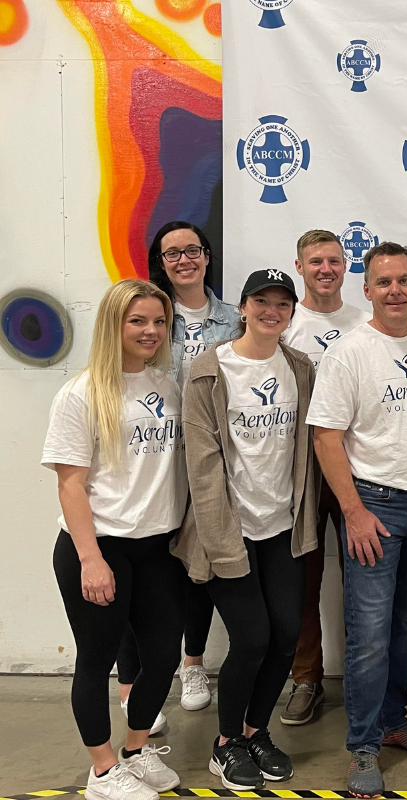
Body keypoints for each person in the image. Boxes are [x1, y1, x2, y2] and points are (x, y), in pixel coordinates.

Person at [308, 242, 407, 797]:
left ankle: (393, 722)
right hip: (375, 506)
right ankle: (363, 747)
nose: (395, 290)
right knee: (368, 635)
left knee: (405, 627)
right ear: (366, 290)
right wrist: (354, 512)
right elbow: (326, 436)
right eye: (383, 282)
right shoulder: (349, 352)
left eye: (404, 280)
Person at [171, 268, 320, 790]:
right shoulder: (209, 371)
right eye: (262, 301)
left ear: (291, 312)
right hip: (227, 532)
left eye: (282, 303)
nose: (271, 311)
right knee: (252, 638)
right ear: (243, 307)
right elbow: (203, 468)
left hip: (282, 529)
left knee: (284, 636)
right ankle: (225, 743)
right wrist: (221, 544)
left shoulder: (301, 368)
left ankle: (257, 732)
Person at [44, 279, 187, 800]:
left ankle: (134, 750)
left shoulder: (166, 385)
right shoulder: (81, 394)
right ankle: (102, 770)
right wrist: (90, 559)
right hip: (100, 547)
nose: (151, 331)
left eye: (158, 321)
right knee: (96, 658)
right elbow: (69, 483)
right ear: (113, 325)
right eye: (137, 321)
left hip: (157, 547)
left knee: (163, 654)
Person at [113, 222, 239, 721]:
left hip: (211, 460)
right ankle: (133, 682)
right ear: (159, 263)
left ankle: (192, 662)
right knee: (139, 566)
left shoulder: (235, 318)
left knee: (198, 564)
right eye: (172, 253)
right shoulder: (150, 315)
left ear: (207, 256)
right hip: (153, 456)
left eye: (192, 250)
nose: (183, 260)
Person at [280, 230, 370, 727]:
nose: (326, 269)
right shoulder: (285, 324)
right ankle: (306, 677)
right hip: (300, 472)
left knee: (364, 578)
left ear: (346, 266)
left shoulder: (364, 323)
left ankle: (363, 680)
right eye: (315, 261)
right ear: (300, 267)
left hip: (357, 467)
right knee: (302, 580)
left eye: (334, 261)